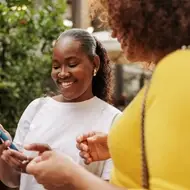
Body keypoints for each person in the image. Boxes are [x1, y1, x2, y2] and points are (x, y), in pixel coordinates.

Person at [26, 0, 190, 190]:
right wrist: (118, 147)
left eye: (120, 22)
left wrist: (70, 175)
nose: (113, 32)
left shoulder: (179, 71)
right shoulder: (171, 70)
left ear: (143, 19)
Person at [0, 28, 121, 190]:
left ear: (95, 64)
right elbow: (14, 180)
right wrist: (3, 157)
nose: (62, 74)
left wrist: (64, 176)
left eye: (72, 64)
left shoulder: (113, 120)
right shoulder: (37, 108)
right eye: (56, 66)